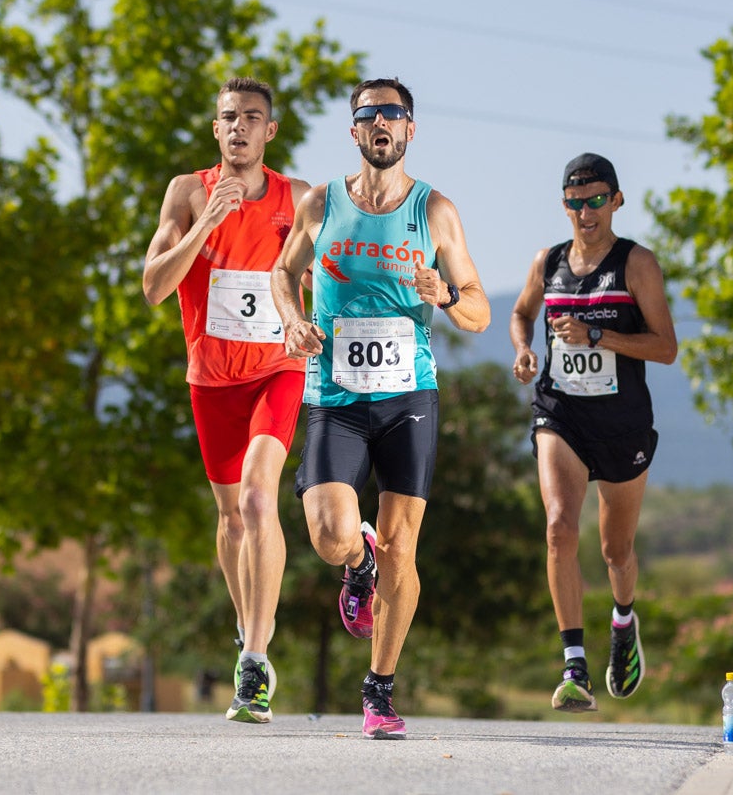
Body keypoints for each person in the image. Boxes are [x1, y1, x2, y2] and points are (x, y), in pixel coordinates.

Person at [271, 77, 490, 740]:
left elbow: (479, 312)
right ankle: (355, 562)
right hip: (335, 397)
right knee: (329, 535)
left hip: (407, 397)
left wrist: (448, 295)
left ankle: (379, 690)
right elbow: (283, 275)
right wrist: (291, 320)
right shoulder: (322, 203)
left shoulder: (436, 211)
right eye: (369, 115)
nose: (382, 124)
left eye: (393, 114)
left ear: (411, 130)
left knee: (404, 551)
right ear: (355, 130)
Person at [143, 76, 310, 724]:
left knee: (258, 498)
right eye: (228, 117)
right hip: (211, 381)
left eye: (252, 117)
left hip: (277, 371)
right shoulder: (187, 192)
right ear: (216, 129)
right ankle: (247, 629)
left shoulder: (297, 199)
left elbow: (321, 275)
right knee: (230, 520)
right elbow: (155, 287)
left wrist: (305, 321)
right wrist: (203, 225)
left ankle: (256, 661)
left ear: (270, 131)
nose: (239, 126)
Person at [509, 152, 677, 713]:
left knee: (615, 549)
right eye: (577, 203)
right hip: (561, 413)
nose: (587, 212)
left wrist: (598, 337)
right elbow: (521, 313)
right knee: (559, 527)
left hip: (622, 422)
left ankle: (624, 621)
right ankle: (573, 666)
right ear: (565, 205)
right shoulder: (547, 261)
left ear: (617, 200)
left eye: (597, 201)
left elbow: (666, 348)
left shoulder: (637, 264)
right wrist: (525, 350)